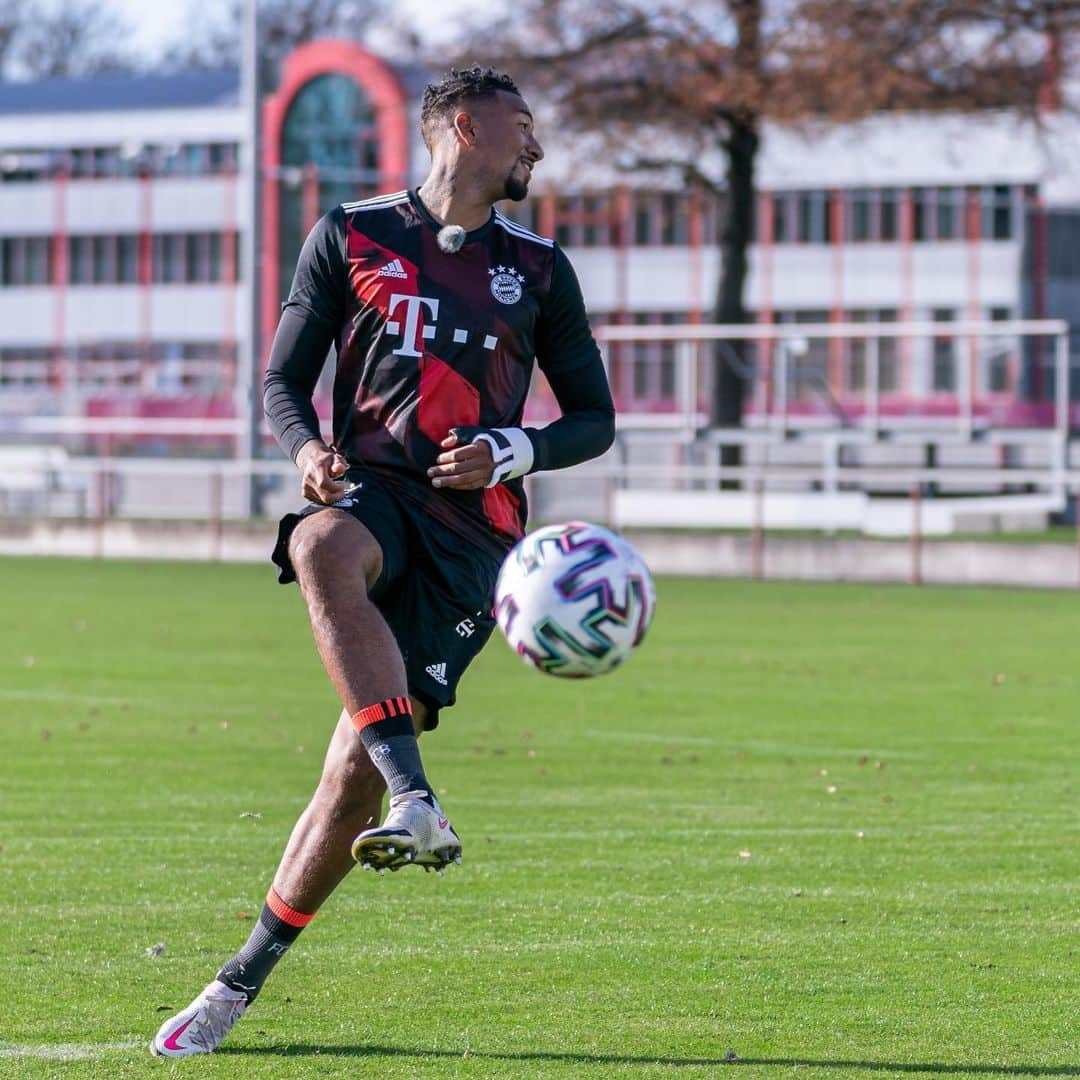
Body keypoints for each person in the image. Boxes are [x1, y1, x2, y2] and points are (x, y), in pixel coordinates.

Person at [151, 65, 615, 1058]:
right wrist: (306, 450)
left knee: (343, 781)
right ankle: (421, 799)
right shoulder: (351, 235)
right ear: (458, 125)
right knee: (319, 544)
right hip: (372, 494)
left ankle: (238, 980)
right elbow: (282, 380)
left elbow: (594, 418)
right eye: (521, 127)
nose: (535, 146)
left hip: (473, 540)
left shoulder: (538, 270)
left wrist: (515, 447)